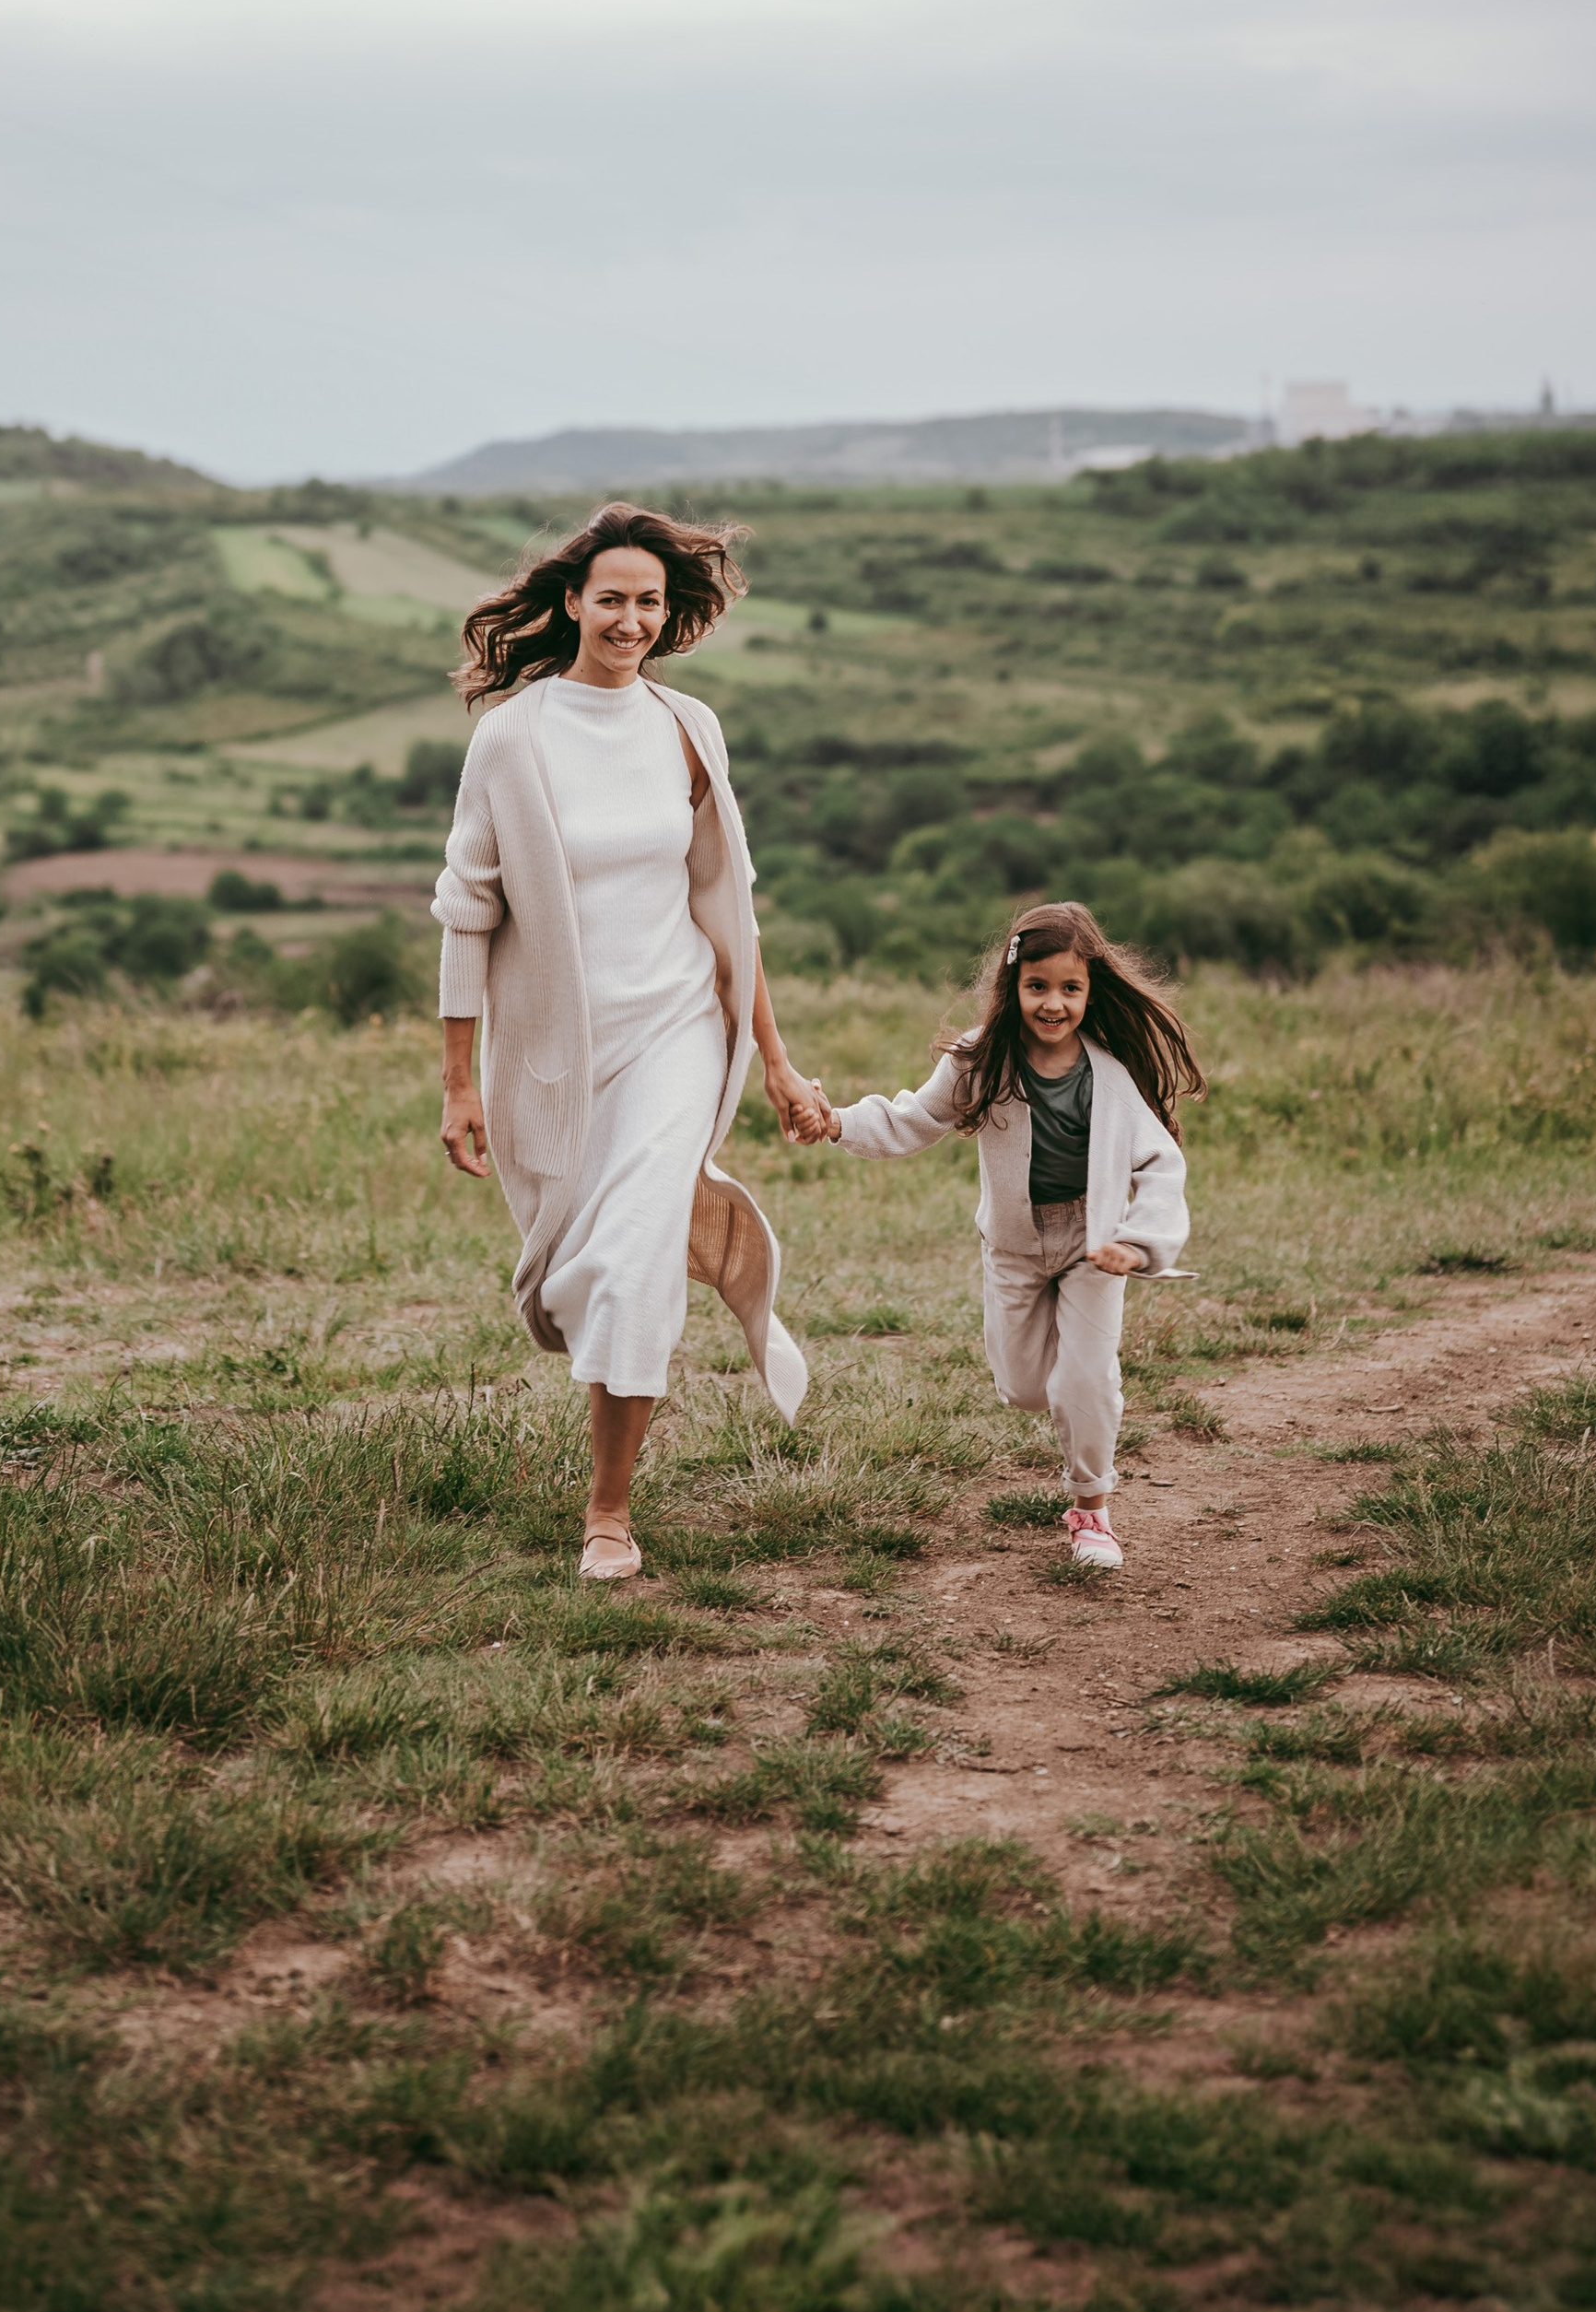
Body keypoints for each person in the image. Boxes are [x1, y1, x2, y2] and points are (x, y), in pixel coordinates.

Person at [432, 503, 825, 1580]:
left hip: (675, 1029)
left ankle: (608, 1511)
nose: (631, 618)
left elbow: (727, 910)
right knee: (578, 1269)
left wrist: (777, 1061)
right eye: (612, 597)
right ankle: (598, 1348)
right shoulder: (513, 734)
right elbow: (467, 910)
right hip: (555, 1050)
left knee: (640, 1249)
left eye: (649, 601)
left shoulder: (688, 727)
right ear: (570, 601)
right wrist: (459, 1081)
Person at [792, 901, 1198, 1571]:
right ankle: (1068, 1419)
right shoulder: (979, 1060)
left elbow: (1160, 1166)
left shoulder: (1110, 1077)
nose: (1053, 1004)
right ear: (1013, 987)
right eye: (1038, 986)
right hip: (1012, 1247)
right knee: (1025, 1388)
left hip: (1094, 1244)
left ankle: (1091, 1510)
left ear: (1091, 991)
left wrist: (1140, 1240)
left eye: (1071, 988)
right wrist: (835, 1122)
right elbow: (913, 1119)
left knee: (1084, 1378)